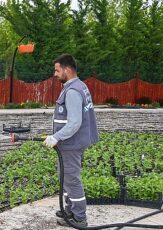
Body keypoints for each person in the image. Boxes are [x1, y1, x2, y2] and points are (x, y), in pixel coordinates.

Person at [43, 54, 99, 228]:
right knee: (67, 177)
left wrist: (56, 136)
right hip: (71, 143)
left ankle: (79, 217)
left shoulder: (73, 91)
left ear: (67, 70)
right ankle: (70, 210)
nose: (55, 74)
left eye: (57, 70)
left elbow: (75, 122)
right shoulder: (78, 86)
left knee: (71, 179)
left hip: (71, 144)